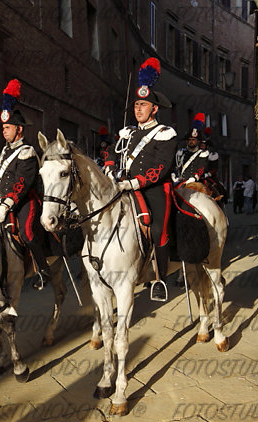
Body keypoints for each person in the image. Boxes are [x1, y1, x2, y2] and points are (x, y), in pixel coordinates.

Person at [104, 58, 177, 302]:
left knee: (158, 230)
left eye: (143, 105)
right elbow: (113, 155)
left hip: (153, 189)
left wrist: (135, 183)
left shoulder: (165, 133)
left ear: (154, 109)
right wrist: (109, 168)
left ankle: (160, 278)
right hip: (125, 187)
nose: (138, 109)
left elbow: (161, 167)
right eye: (136, 104)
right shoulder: (128, 134)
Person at [0, 79, 50, 290]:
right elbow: (2, 178)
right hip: (3, 199)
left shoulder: (27, 152)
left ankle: (44, 271)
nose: (4, 131)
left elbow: (21, 184)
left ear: (19, 130)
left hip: (24, 200)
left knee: (26, 233)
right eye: (3, 128)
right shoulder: (5, 150)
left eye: (8, 128)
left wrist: (6, 205)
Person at [173, 113, 210, 186]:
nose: (191, 141)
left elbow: (201, 168)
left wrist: (194, 178)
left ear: (198, 141)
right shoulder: (181, 152)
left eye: (193, 140)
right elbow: (175, 166)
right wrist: (174, 175)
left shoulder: (202, 154)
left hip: (195, 182)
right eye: (189, 140)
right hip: (179, 182)